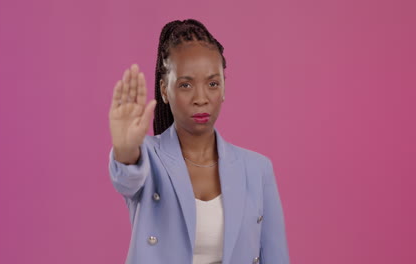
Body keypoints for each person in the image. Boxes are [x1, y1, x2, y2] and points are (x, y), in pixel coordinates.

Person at [108, 19, 290, 264]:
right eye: (185, 85)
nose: (201, 98)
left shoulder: (257, 169)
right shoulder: (148, 157)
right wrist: (125, 148)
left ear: (224, 88)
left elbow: (276, 257)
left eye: (213, 83)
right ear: (164, 90)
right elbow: (127, 179)